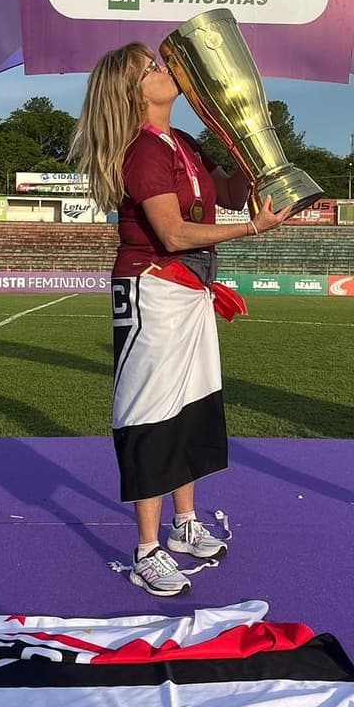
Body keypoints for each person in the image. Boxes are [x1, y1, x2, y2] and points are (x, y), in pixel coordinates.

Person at [69, 42, 291, 597]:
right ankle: (147, 550)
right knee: (150, 414)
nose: (164, 69)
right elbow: (171, 234)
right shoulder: (142, 150)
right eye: (151, 67)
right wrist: (254, 231)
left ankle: (186, 523)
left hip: (190, 290)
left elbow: (239, 193)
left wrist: (247, 139)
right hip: (153, 289)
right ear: (132, 91)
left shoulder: (185, 142)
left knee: (191, 406)